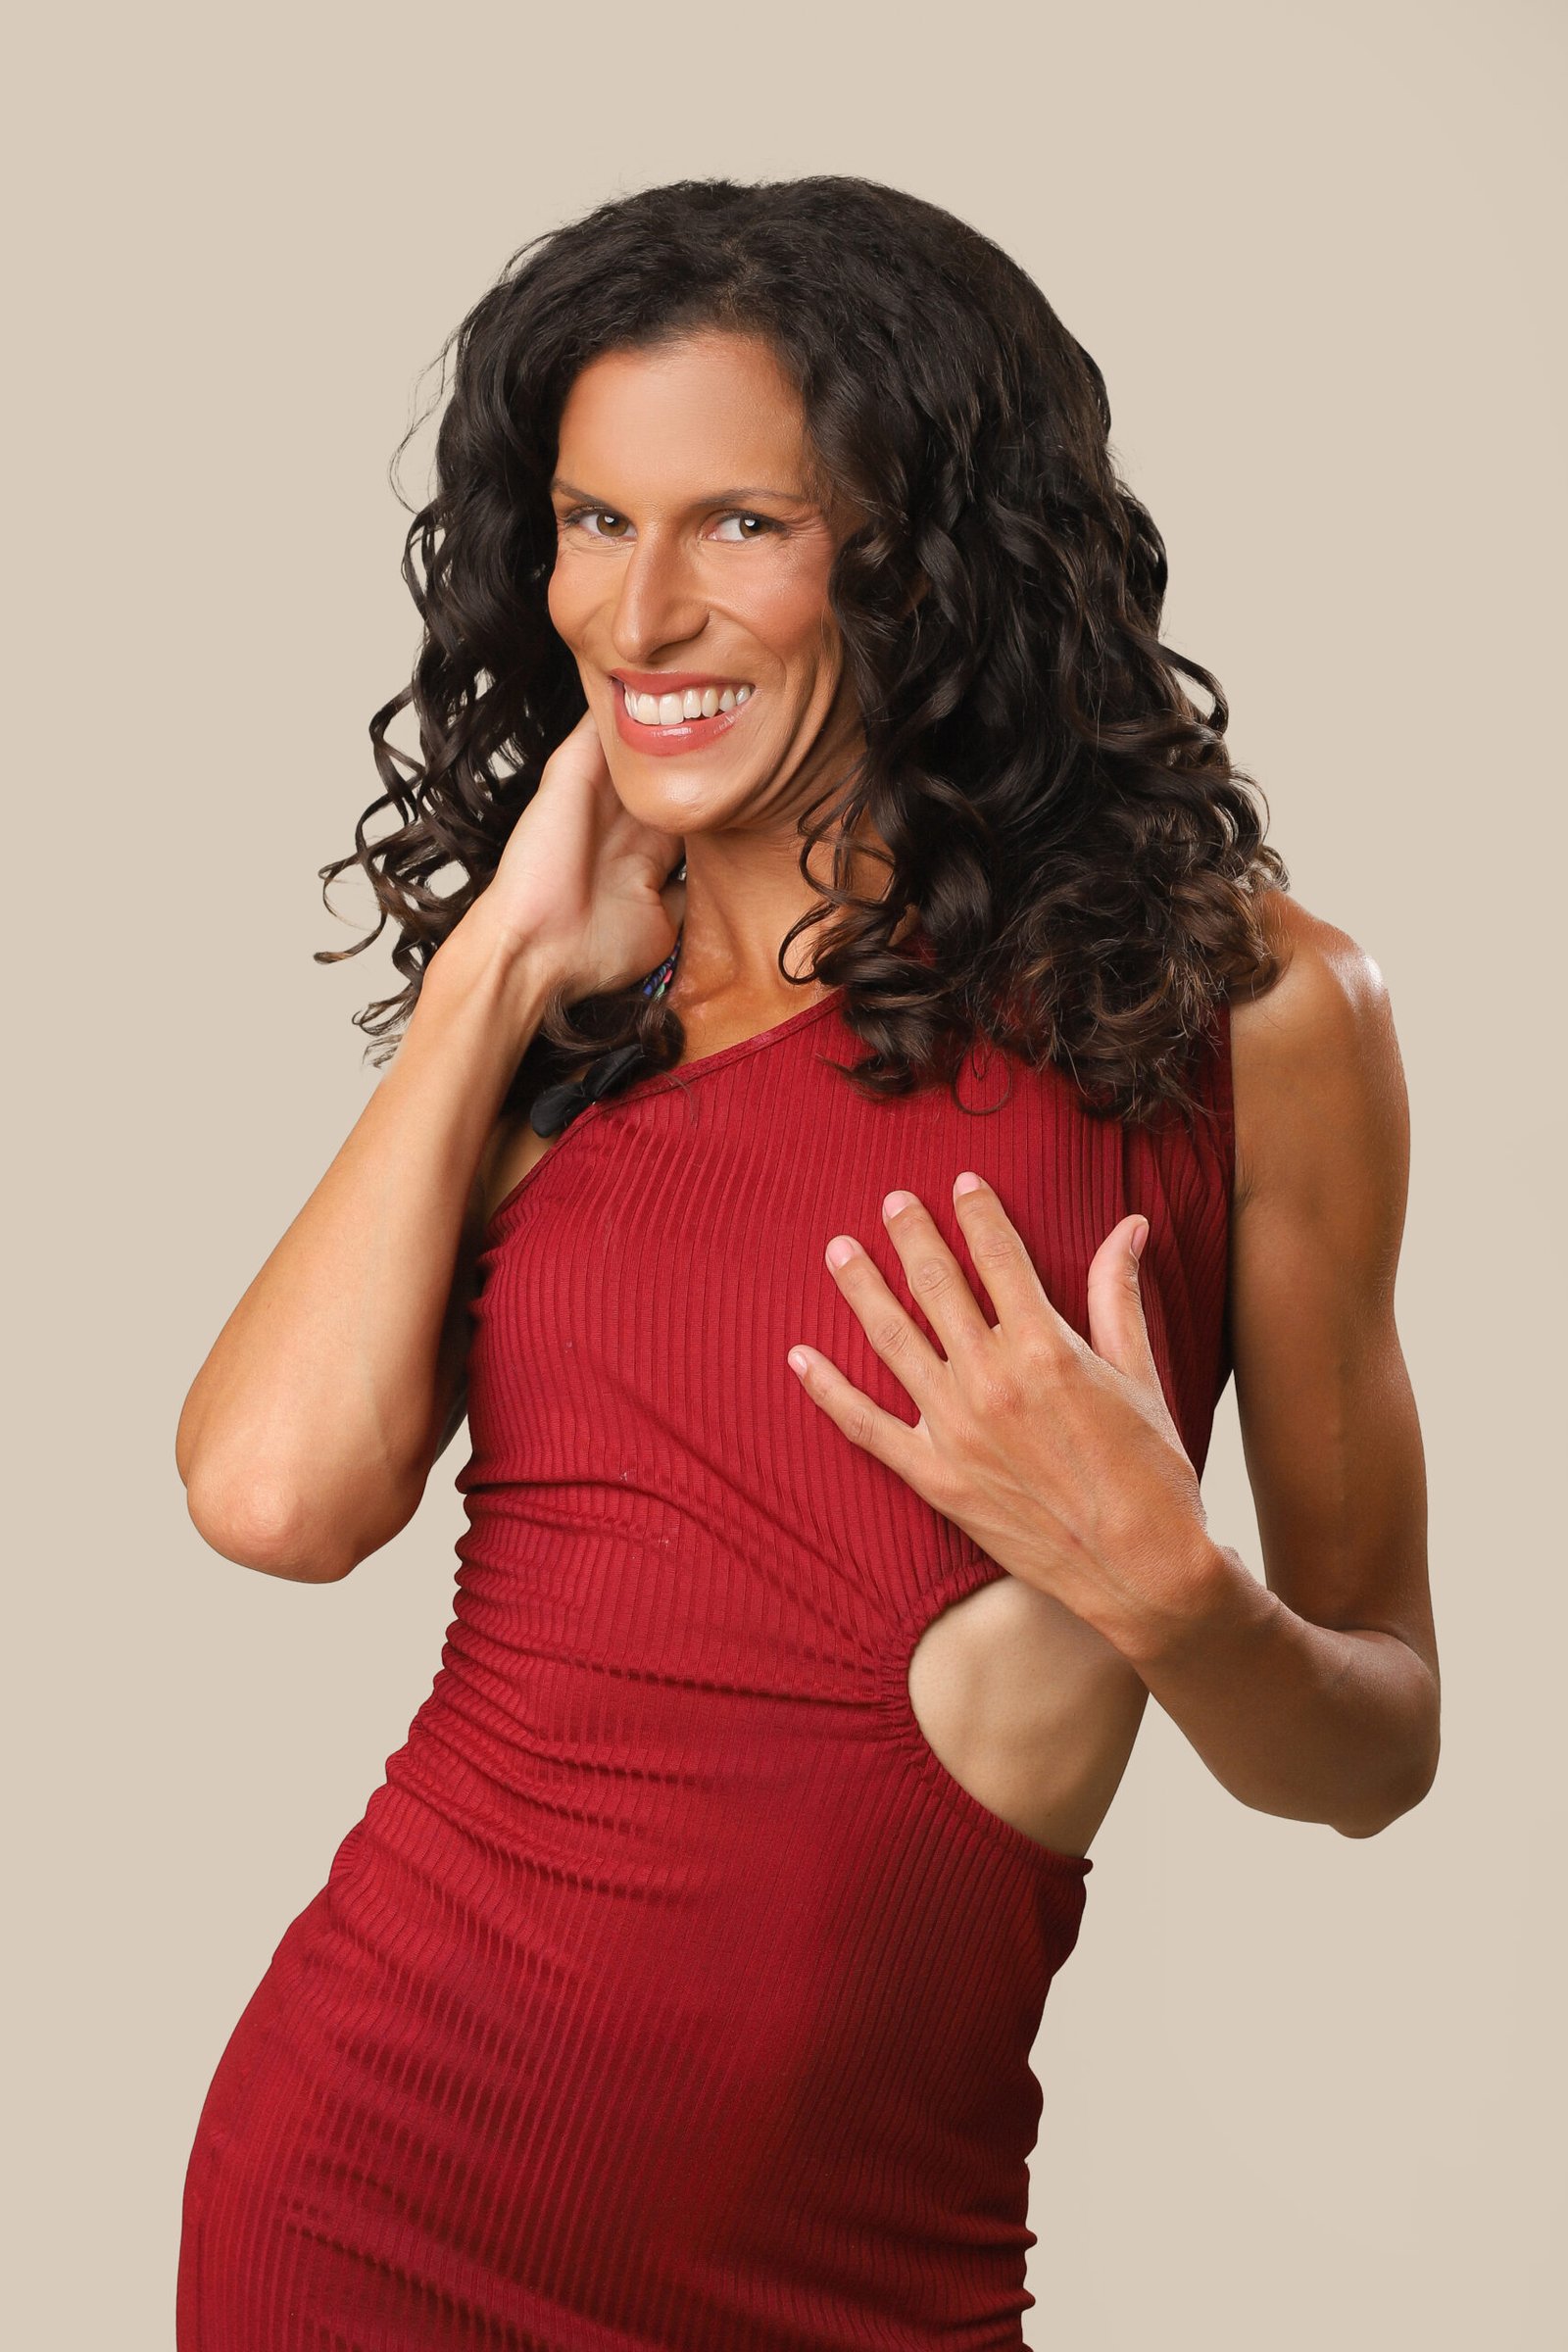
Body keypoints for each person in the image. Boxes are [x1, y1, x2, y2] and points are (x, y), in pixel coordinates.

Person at [173, 174, 1439, 2351]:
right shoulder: (574, 1028)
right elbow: (273, 1498)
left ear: (923, 550)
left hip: (874, 2257)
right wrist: (493, 973)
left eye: (739, 524)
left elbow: (1374, 1748)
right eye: (593, 523)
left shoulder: (1245, 1016)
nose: (640, 612)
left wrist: (1173, 1594)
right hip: (375, 2193)